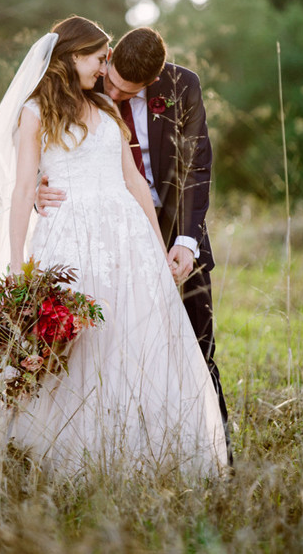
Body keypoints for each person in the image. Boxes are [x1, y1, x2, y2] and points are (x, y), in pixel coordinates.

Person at [0, 16, 227, 476]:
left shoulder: (113, 103)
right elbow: (22, 186)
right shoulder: (37, 110)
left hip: (130, 236)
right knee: (77, 344)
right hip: (71, 236)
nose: (104, 71)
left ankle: (152, 453)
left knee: (147, 343)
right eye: (99, 60)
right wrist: (17, 263)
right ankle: (61, 460)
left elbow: (137, 178)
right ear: (77, 57)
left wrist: (159, 250)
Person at [38, 27, 231, 452]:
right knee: (103, 346)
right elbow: (44, 140)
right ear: (108, 59)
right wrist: (38, 186)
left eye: (127, 91)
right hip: (102, 230)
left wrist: (186, 241)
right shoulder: (89, 76)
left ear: (152, 81)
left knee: (195, 346)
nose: (113, 94)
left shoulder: (182, 87)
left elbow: (196, 166)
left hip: (173, 227)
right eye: (111, 82)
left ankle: (214, 453)